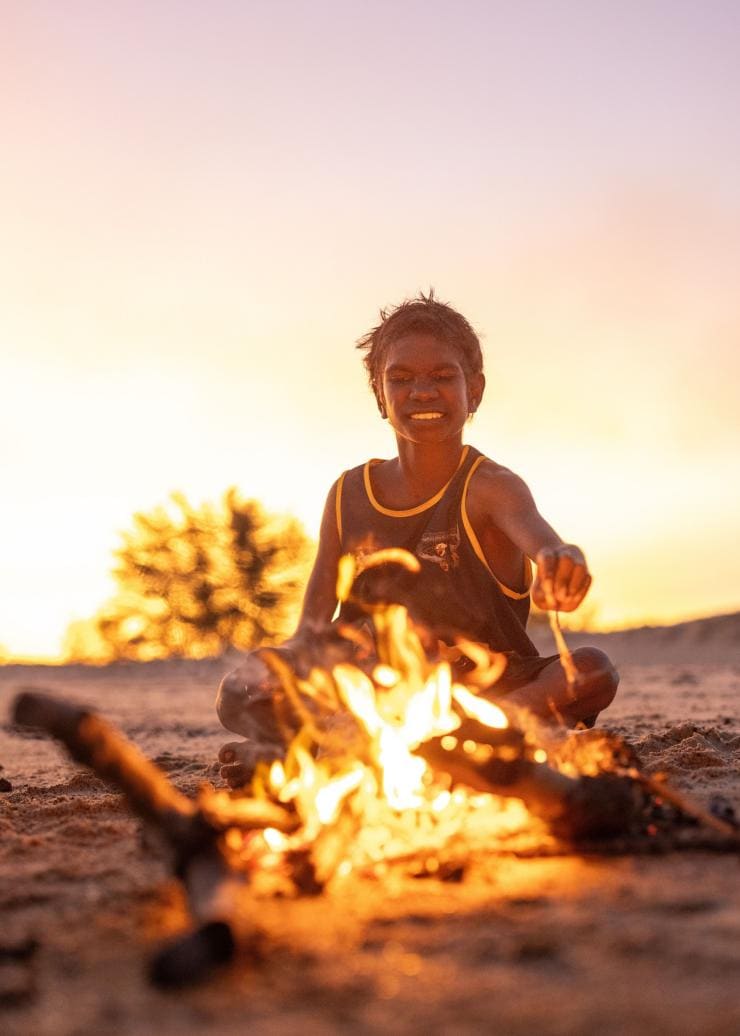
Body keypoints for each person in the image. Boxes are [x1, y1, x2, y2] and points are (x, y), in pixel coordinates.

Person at [217, 293, 619, 787]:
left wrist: (562, 562)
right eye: (401, 379)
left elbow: (544, 541)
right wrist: (287, 671)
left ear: (475, 390)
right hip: (370, 692)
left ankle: (452, 738)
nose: (422, 392)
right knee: (240, 689)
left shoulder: (491, 487)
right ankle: (345, 742)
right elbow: (310, 634)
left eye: (443, 377)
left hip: (488, 691)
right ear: (379, 395)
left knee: (593, 672)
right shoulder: (347, 495)